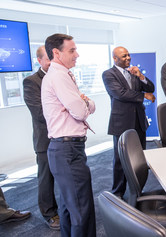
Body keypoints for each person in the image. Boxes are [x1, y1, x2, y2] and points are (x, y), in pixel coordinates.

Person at [41, 33, 96, 237]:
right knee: (81, 209)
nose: (77, 54)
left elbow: (86, 106)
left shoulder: (60, 75)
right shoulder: (58, 76)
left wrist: (85, 103)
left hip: (65, 149)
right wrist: (85, 103)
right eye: (72, 50)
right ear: (56, 53)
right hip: (67, 151)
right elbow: (82, 111)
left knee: (69, 208)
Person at [102, 46, 155, 198]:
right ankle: (117, 192)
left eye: (128, 55)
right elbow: (120, 94)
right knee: (120, 160)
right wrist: (144, 96)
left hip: (139, 121)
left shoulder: (133, 72)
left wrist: (141, 77)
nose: (128, 58)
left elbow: (151, 87)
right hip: (121, 122)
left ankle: (137, 190)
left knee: (139, 159)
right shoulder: (108, 74)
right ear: (115, 59)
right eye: (124, 56)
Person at [23, 46, 60, 230]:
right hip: (45, 140)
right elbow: (40, 113)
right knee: (46, 179)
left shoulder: (61, 77)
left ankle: (65, 209)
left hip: (64, 137)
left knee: (64, 177)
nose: (52, 62)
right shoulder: (31, 82)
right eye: (48, 59)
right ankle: (50, 214)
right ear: (39, 60)